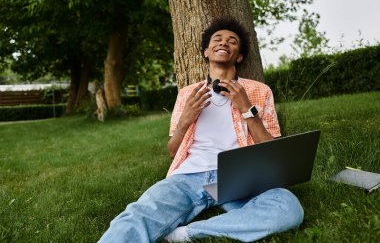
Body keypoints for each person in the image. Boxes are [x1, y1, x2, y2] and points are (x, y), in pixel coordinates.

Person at [98, 17, 304, 243]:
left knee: (288, 208)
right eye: (217, 39)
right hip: (189, 177)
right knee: (138, 213)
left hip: (243, 177)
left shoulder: (259, 91)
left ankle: (185, 234)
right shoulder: (187, 93)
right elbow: (172, 151)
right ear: (206, 51)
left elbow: (272, 151)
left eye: (232, 41)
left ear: (240, 56)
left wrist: (247, 108)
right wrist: (185, 120)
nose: (224, 43)